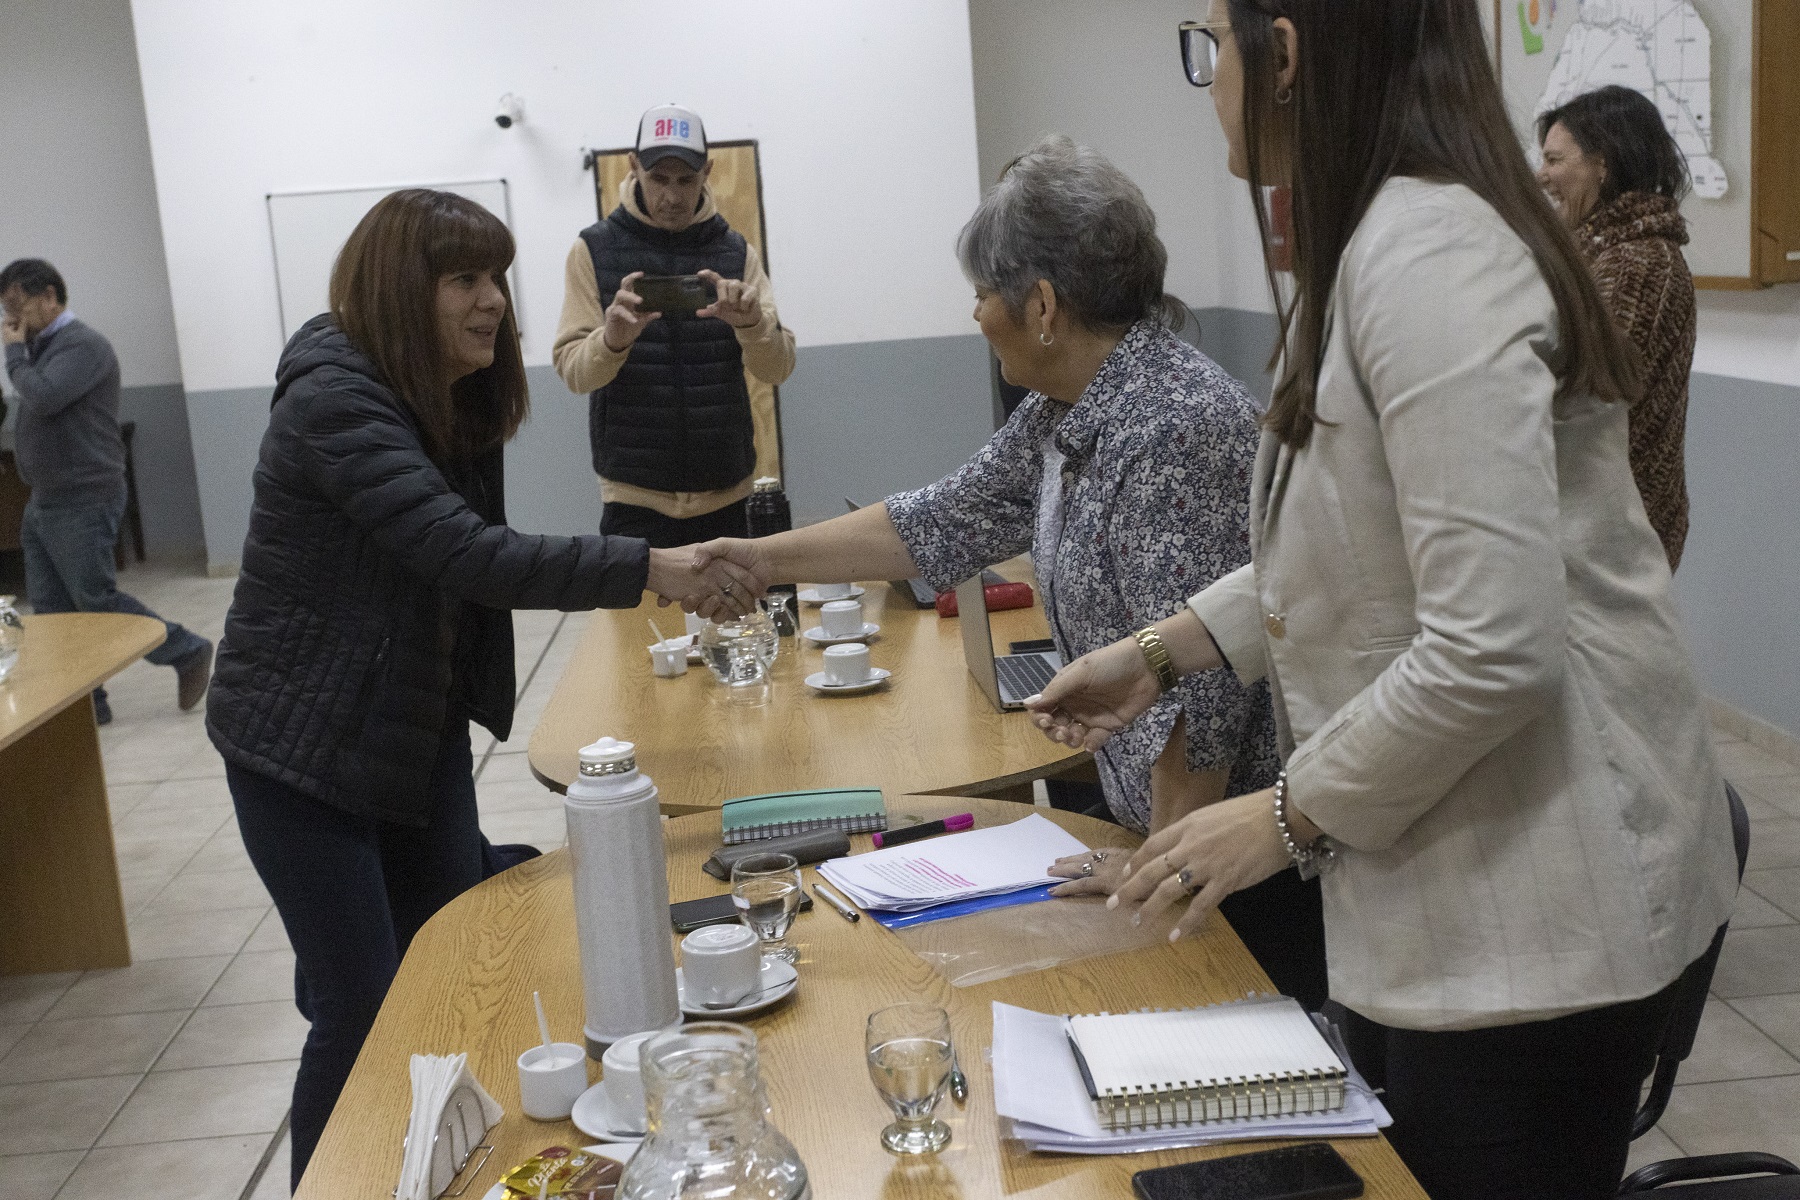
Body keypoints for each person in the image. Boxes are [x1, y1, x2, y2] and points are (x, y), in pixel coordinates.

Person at [1027, 4, 1738, 1196]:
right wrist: (1165, 650)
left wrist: (1282, 815)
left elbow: (1494, 644)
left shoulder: (1431, 256)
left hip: (1544, 921)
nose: (1210, 82)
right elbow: (1360, 541)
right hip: (1464, 890)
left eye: (1214, 44)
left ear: (1288, 52)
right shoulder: (1376, 244)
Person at [205, 190, 763, 1189]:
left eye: (497, 278)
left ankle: (420, 1164)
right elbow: (466, 555)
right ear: (397, 289)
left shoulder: (438, 395)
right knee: (362, 1002)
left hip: (408, 740)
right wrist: (653, 566)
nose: (494, 302)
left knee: (446, 965)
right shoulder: (336, 396)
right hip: (302, 752)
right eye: (463, 278)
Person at [696, 136, 1326, 1011]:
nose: (976, 315)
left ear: (1041, 305)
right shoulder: (1076, 405)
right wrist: (759, 561)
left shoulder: (1170, 426)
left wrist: (1158, 878)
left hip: (1224, 877)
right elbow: (937, 521)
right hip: (1157, 838)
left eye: (983, 293)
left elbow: (1206, 704)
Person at [553, 103, 795, 547]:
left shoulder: (736, 252)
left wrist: (752, 325)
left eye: (686, 179)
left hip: (729, 492)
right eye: (658, 179)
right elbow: (574, 373)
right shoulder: (592, 250)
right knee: (638, 620)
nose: (672, 196)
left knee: (738, 620)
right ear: (633, 167)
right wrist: (611, 341)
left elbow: (777, 369)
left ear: (708, 171)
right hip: (634, 501)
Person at [1, 258, 214, 723]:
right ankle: (87, 705)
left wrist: (14, 353)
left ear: (51, 297)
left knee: (95, 600)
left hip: (83, 495)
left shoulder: (83, 345)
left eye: (19, 308)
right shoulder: (42, 345)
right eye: (6, 311)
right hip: (45, 497)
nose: (11, 321)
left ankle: (186, 649)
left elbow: (44, 396)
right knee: (53, 612)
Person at [1538, 84, 1696, 570]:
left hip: (1617, 539)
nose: (1541, 175)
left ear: (1602, 165)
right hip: (1609, 527)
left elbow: (1582, 397)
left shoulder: (1635, 265)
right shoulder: (1612, 254)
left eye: (1554, 159)